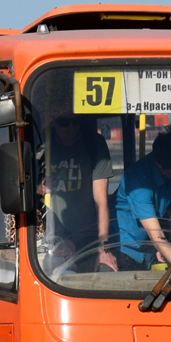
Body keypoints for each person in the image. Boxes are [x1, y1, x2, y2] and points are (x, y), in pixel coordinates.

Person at [42, 113, 117, 271]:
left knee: (105, 271)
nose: (71, 127)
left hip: (87, 238)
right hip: (51, 236)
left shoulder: (94, 144)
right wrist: (39, 187)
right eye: (64, 122)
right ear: (53, 124)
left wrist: (103, 248)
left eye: (76, 122)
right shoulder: (41, 147)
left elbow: (101, 202)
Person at [113, 133, 171, 270]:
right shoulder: (138, 182)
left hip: (150, 248)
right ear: (160, 166)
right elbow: (156, 236)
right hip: (125, 249)